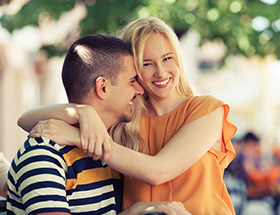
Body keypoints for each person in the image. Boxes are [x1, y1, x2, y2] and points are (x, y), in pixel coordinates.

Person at [18, 17, 237, 215]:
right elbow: (25, 120)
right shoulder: (123, 122)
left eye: (168, 58)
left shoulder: (207, 110)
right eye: (147, 64)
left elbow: (158, 171)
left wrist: (77, 136)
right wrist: (82, 112)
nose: (160, 72)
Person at [8, 34, 190, 215]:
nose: (140, 90)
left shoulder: (110, 152)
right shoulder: (45, 154)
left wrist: (135, 211)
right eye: (132, 81)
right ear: (103, 87)